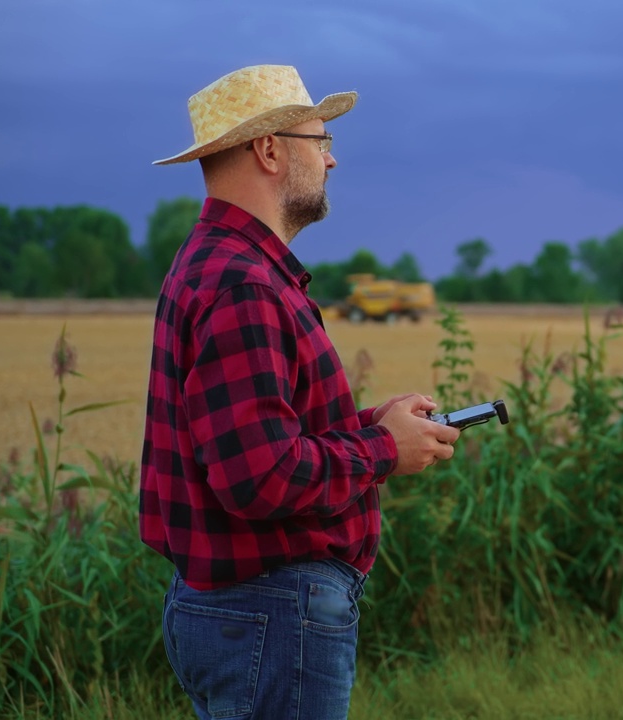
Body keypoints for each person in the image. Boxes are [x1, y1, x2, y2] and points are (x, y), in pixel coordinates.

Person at [140, 64, 461, 720]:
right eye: (320, 142)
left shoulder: (218, 265)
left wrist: (377, 422)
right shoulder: (245, 286)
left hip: (243, 610)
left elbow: (253, 435)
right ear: (269, 151)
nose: (333, 160)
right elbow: (260, 476)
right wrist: (381, 452)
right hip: (271, 608)